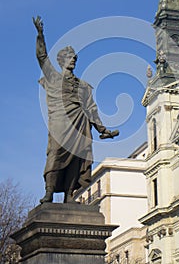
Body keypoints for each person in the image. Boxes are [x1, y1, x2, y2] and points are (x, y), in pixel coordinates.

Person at [33, 16, 118, 203]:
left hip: (80, 123)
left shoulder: (83, 86)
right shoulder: (53, 77)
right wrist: (40, 36)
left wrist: (103, 130)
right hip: (60, 123)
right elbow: (42, 58)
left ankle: (69, 195)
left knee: (75, 159)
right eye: (69, 58)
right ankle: (49, 192)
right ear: (62, 60)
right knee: (55, 154)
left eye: (74, 58)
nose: (72, 61)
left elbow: (91, 109)